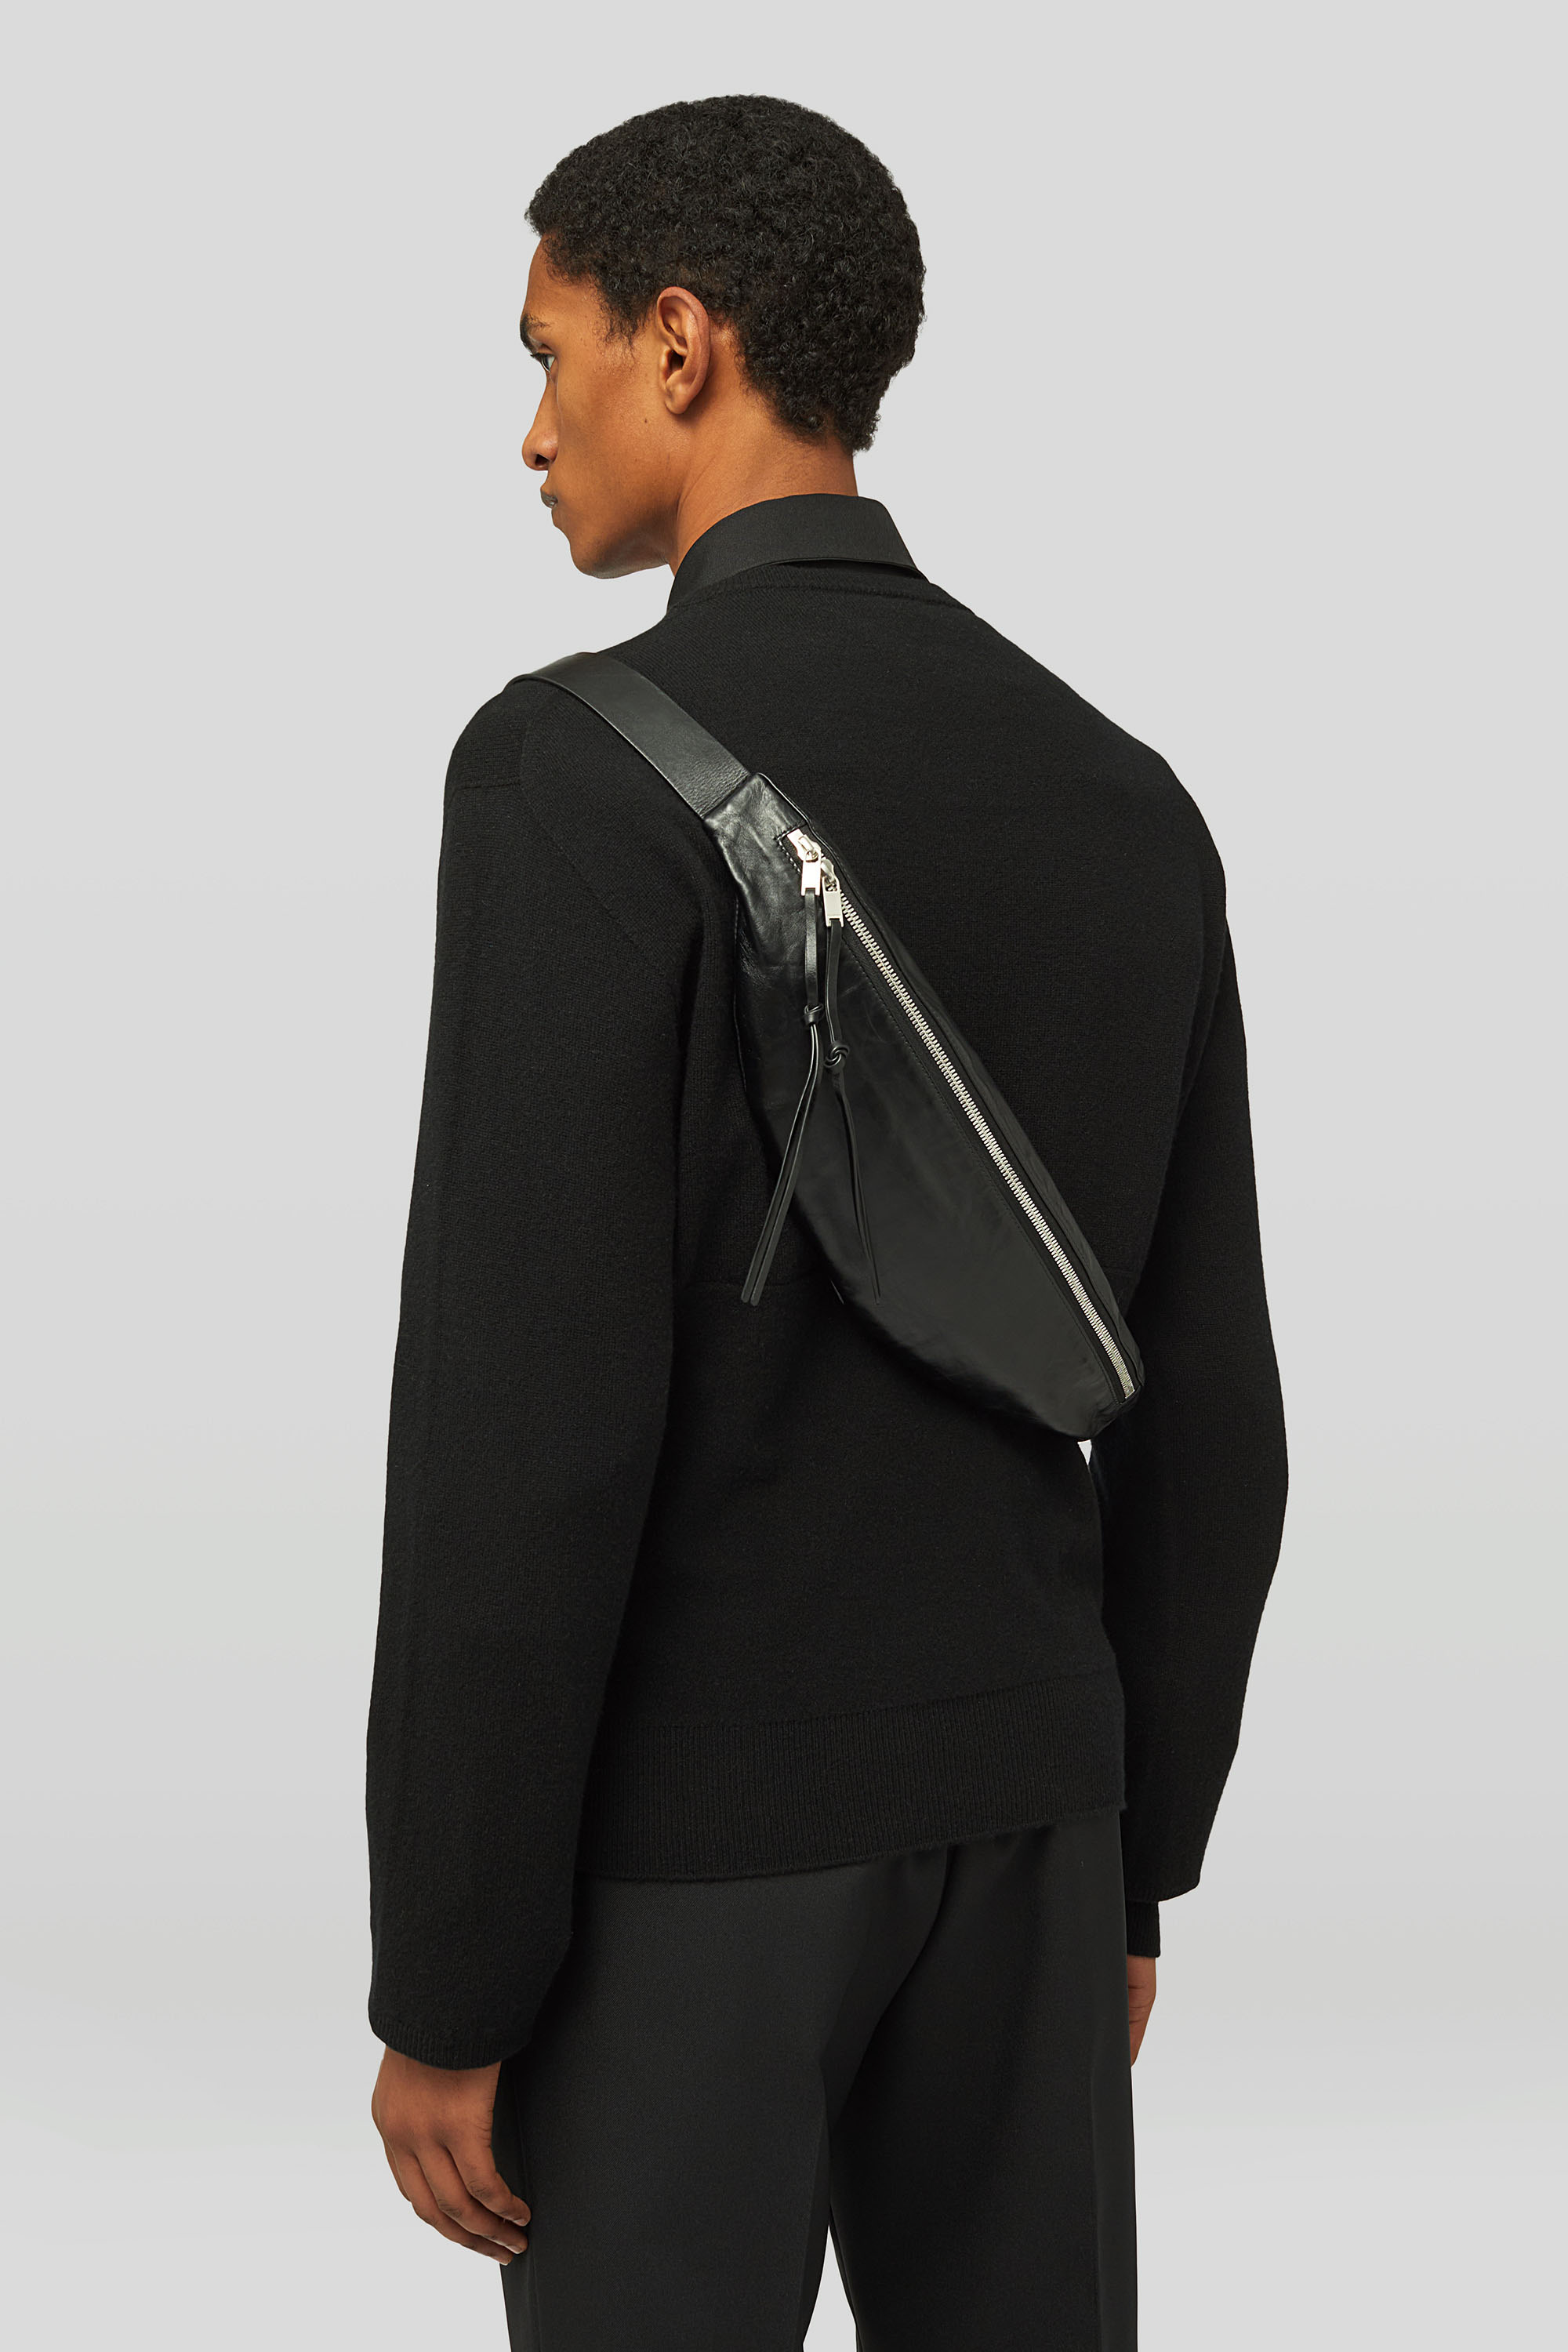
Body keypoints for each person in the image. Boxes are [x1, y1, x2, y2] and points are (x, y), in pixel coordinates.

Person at [366, 93, 1287, 2352]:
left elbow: (523, 1431)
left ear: (681, 344)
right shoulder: (1129, 796)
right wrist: (1133, 1854)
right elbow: (1217, 1413)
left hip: (692, 1864)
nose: (532, 432)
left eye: (551, 353)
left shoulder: (573, 770)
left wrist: (452, 1978)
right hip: (1038, 1824)